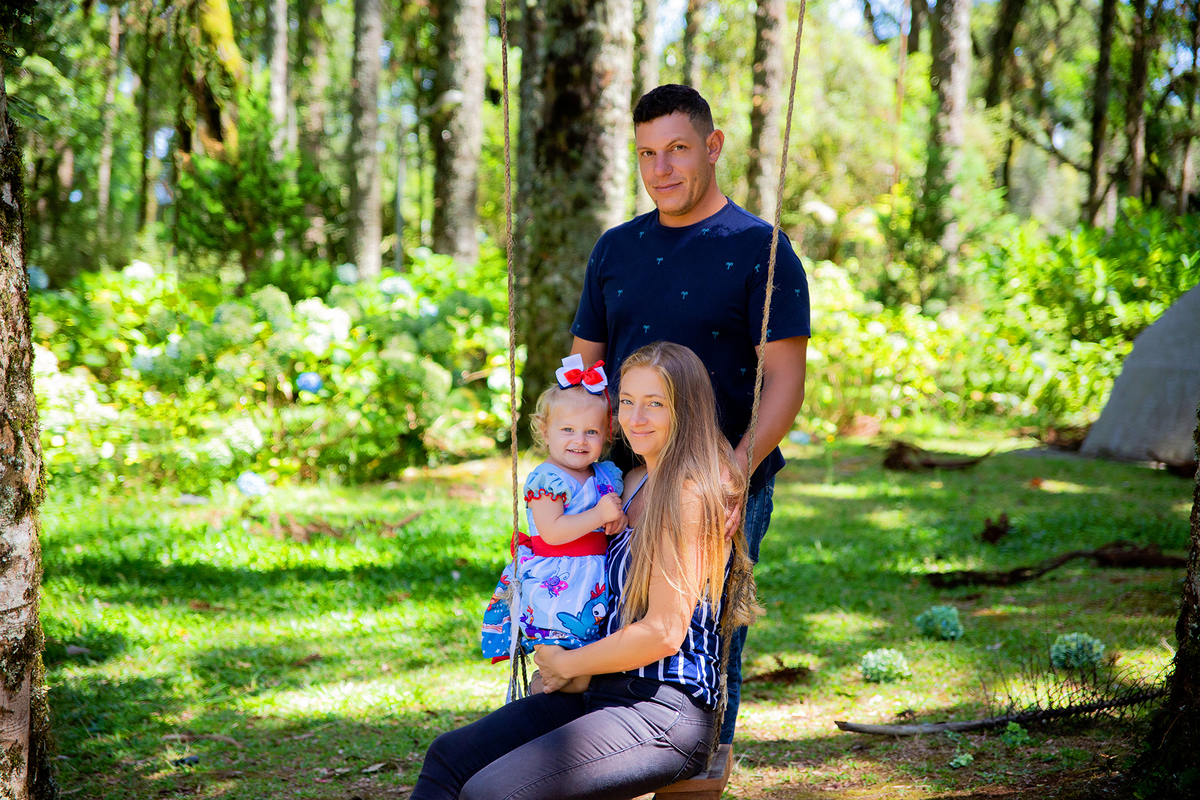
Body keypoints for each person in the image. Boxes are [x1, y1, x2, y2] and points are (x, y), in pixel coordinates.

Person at [570, 83, 811, 744]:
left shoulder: (761, 249)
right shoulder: (614, 250)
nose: (661, 169)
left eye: (678, 149)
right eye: (648, 153)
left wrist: (733, 472)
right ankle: (605, 765)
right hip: (622, 481)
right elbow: (584, 374)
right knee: (600, 625)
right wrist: (573, 474)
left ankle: (700, 775)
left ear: (712, 146)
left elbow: (786, 385)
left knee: (706, 646)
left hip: (723, 478)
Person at [411, 342, 758, 800]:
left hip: (663, 708)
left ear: (686, 410)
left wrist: (565, 663)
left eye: (655, 404)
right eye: (628, 402)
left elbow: (662, 633)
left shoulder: (690, 495)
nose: (636, 418)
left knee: (494, 791)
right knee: (449, 757)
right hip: (600, 689)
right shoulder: (627, 486)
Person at [481, 355, 625, 695]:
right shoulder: (548, 479)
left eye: (592, 431)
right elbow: (553, 532)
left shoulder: (606, 475)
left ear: (607, 434)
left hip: (592, 582)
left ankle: (557, 728)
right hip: (554, 583)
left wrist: (616, 518)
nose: (580, 440)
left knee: (582, 676)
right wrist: (599, 515)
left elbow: (611, 516)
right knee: (555, 669)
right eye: (568, 430)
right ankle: (528, 714)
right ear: (545, 432)